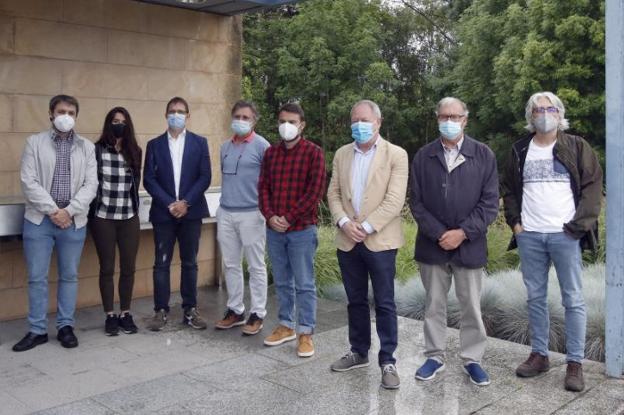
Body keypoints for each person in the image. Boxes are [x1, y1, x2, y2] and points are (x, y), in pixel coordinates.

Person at [501, 91, 602, 392]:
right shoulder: (520, 150)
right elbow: (508, 188)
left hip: (565, 235)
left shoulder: (576, 146)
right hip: (530, 235)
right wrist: (515, 223)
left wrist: (577, 227)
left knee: (573, 299)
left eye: (550, 109)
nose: (544, 114)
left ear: (560, 114)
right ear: (530, 116)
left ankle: (574, 363)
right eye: (538, 109)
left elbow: (593, 187)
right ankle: (540, 355)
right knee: (535, 298)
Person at [409, 97, 499, 386]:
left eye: (455, 116)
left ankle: (472, 359)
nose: (449, 121)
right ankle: (434, 356)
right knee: (434, 304)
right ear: (437, 118)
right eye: (444, 116)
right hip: (431, 245)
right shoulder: (424, 156)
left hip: (469, 245)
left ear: (465, 119)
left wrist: (462, 233)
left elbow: (489, 205)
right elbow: (417, 202)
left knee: (471, 305)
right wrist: (439, 233)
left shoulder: (483, 155)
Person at [327, 100, 408, 390]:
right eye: (354, 120)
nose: (358, 125)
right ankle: (359, 351)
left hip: (380, 240)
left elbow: (394, 200)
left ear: (378, 122)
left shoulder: (396, 155)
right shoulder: (341, 154)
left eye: (364, 119)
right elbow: (333, 193)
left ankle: (388, 360)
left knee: (385, 302)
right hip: (347, 240)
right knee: (355, 300)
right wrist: (343, 223)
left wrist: (366, 226)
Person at [13, 94, 98, 352]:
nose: (66, 117)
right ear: (51, 113)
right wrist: (54, 211)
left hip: (73, 222)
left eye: (71, 113)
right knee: (37, 277)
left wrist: (69, 211)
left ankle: (65, 327)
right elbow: (29, 182)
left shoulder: (86, 147)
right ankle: (37, 329)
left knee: (69, 276)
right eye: (62, 111)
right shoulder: (34, 143)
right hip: (40, 221)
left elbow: (90, 184)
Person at [258, 102, 326, 357]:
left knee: (305, 283)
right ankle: (286, 325)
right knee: (283, 281)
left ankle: (306, 332)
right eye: (282, 121)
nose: (286, 126)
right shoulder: (271, 154)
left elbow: (314, 192)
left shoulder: (313, 153)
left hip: (301, 229)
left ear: (302, 125)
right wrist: (270, 216)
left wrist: (287, 217)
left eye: (292, 121)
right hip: (275, 229)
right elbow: (263, 187)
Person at [143, 97, 211, 331]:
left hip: (191, 214)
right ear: (165, 114)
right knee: (161, 263)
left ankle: (190, 309)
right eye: (172, 111)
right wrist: (170, 203)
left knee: (190, 262)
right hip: (164, 214)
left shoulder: (200, 143)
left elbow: (205, 177)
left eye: (181, 111)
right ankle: (160, 311)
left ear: (188, 116)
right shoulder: (154, 145)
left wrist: (186, 203)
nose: (176, 115)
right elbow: (149, 179)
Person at [214, 101, 270, 335]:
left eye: (246, 117)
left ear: (254, 120)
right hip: (226, 212)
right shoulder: (224, 147)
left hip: (252, 213)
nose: (241, 120)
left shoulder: (262, 146)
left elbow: (269, 183)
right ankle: (235, 310)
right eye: (237, 116)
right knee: (230, 264)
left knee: (256, 266)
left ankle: (257, 313)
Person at [89, 107, 142, 336]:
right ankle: (110, 315)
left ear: (128, 125)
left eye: (122, 121)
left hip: (129, 217)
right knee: (107, 268)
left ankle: (126, 313)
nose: (118, 124)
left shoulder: (135, 151)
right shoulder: (97, 150)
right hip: (103, 218)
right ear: (108, 124)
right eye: (114, 121)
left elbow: (135, 183)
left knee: (129, 268)